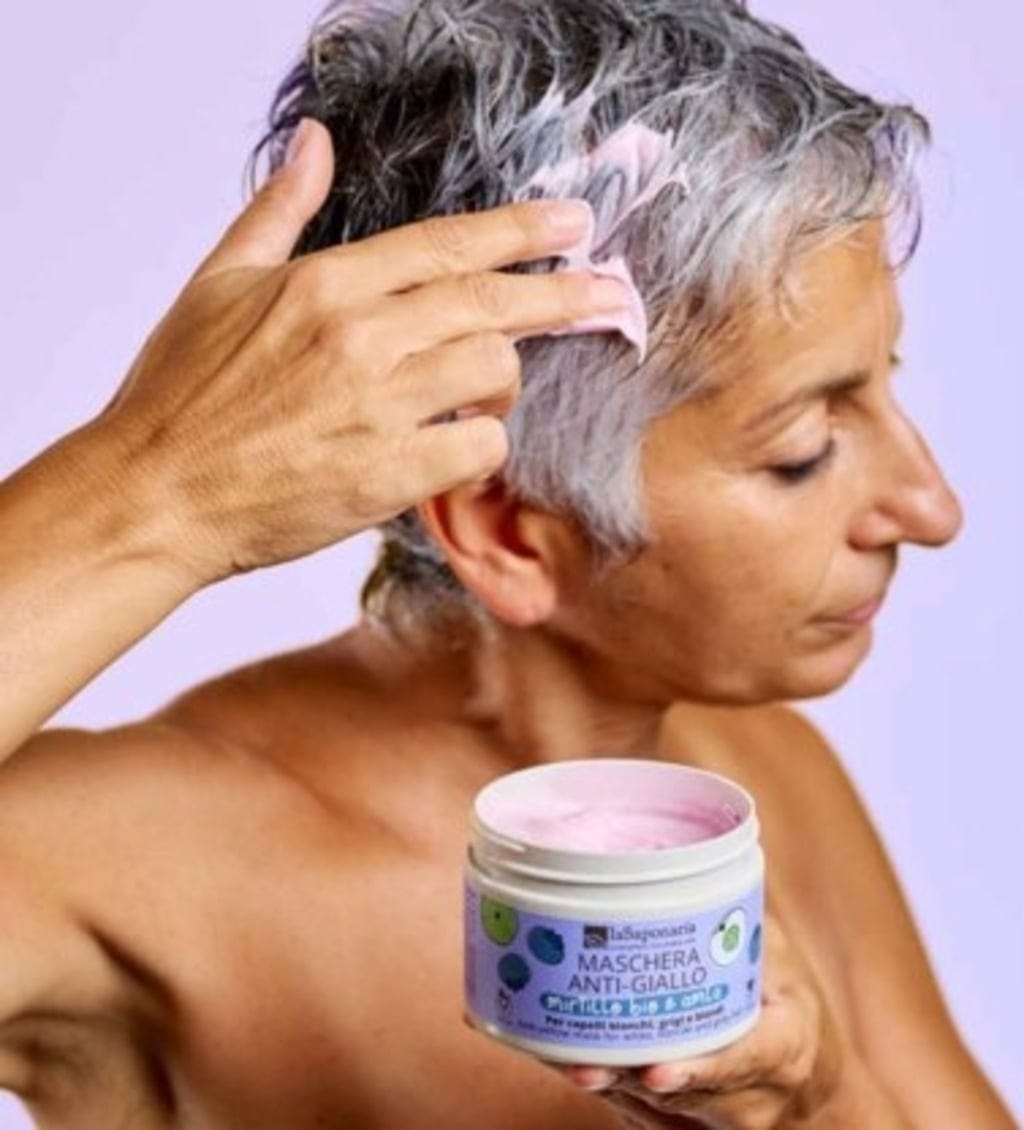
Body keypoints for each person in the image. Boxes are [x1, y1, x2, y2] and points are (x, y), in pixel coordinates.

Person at [0, 0, 1015, 1126]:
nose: (932, 508)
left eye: (883, 382)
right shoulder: (136, 861)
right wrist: (152, 486)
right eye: (803, 448)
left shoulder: (757, 776)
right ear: (510, 532)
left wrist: (807, 1107)